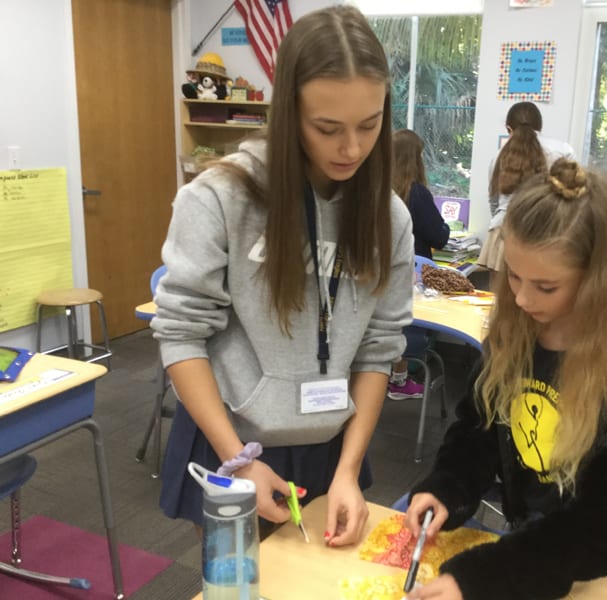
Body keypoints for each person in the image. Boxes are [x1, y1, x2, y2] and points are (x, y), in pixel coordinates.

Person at [151, 5, 415, 547]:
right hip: (236, 441)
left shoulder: (389, 217)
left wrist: (349, 467)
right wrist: (237, 459)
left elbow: (378, 350)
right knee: (241, 582)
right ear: (289, 112)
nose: (351, 148)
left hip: (333, 445)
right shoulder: (219, 197)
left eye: (369, 126)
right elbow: (181, 334)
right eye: (327, 127)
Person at [404, 159, 607, 600]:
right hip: (535, 548)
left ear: (599, 282)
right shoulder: (514, 335)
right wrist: (446, 487)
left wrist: (482, 576)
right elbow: (476, 431)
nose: (521, 297)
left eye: (546, 287)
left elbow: (602, 527)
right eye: (514, 275)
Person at [388, 129, 450, 400]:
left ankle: (396, 378)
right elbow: (439, 236)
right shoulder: (417, 193)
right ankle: (402, 377)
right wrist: (446, 228)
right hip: (413, 276)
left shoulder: (379, 190)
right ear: (415, 158)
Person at [477, 123, 547, 272]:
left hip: (501, 226)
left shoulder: (500, 158)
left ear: (509, 130)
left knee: (497, 289)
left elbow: (493, 200)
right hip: (528, 230)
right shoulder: (542, 164)